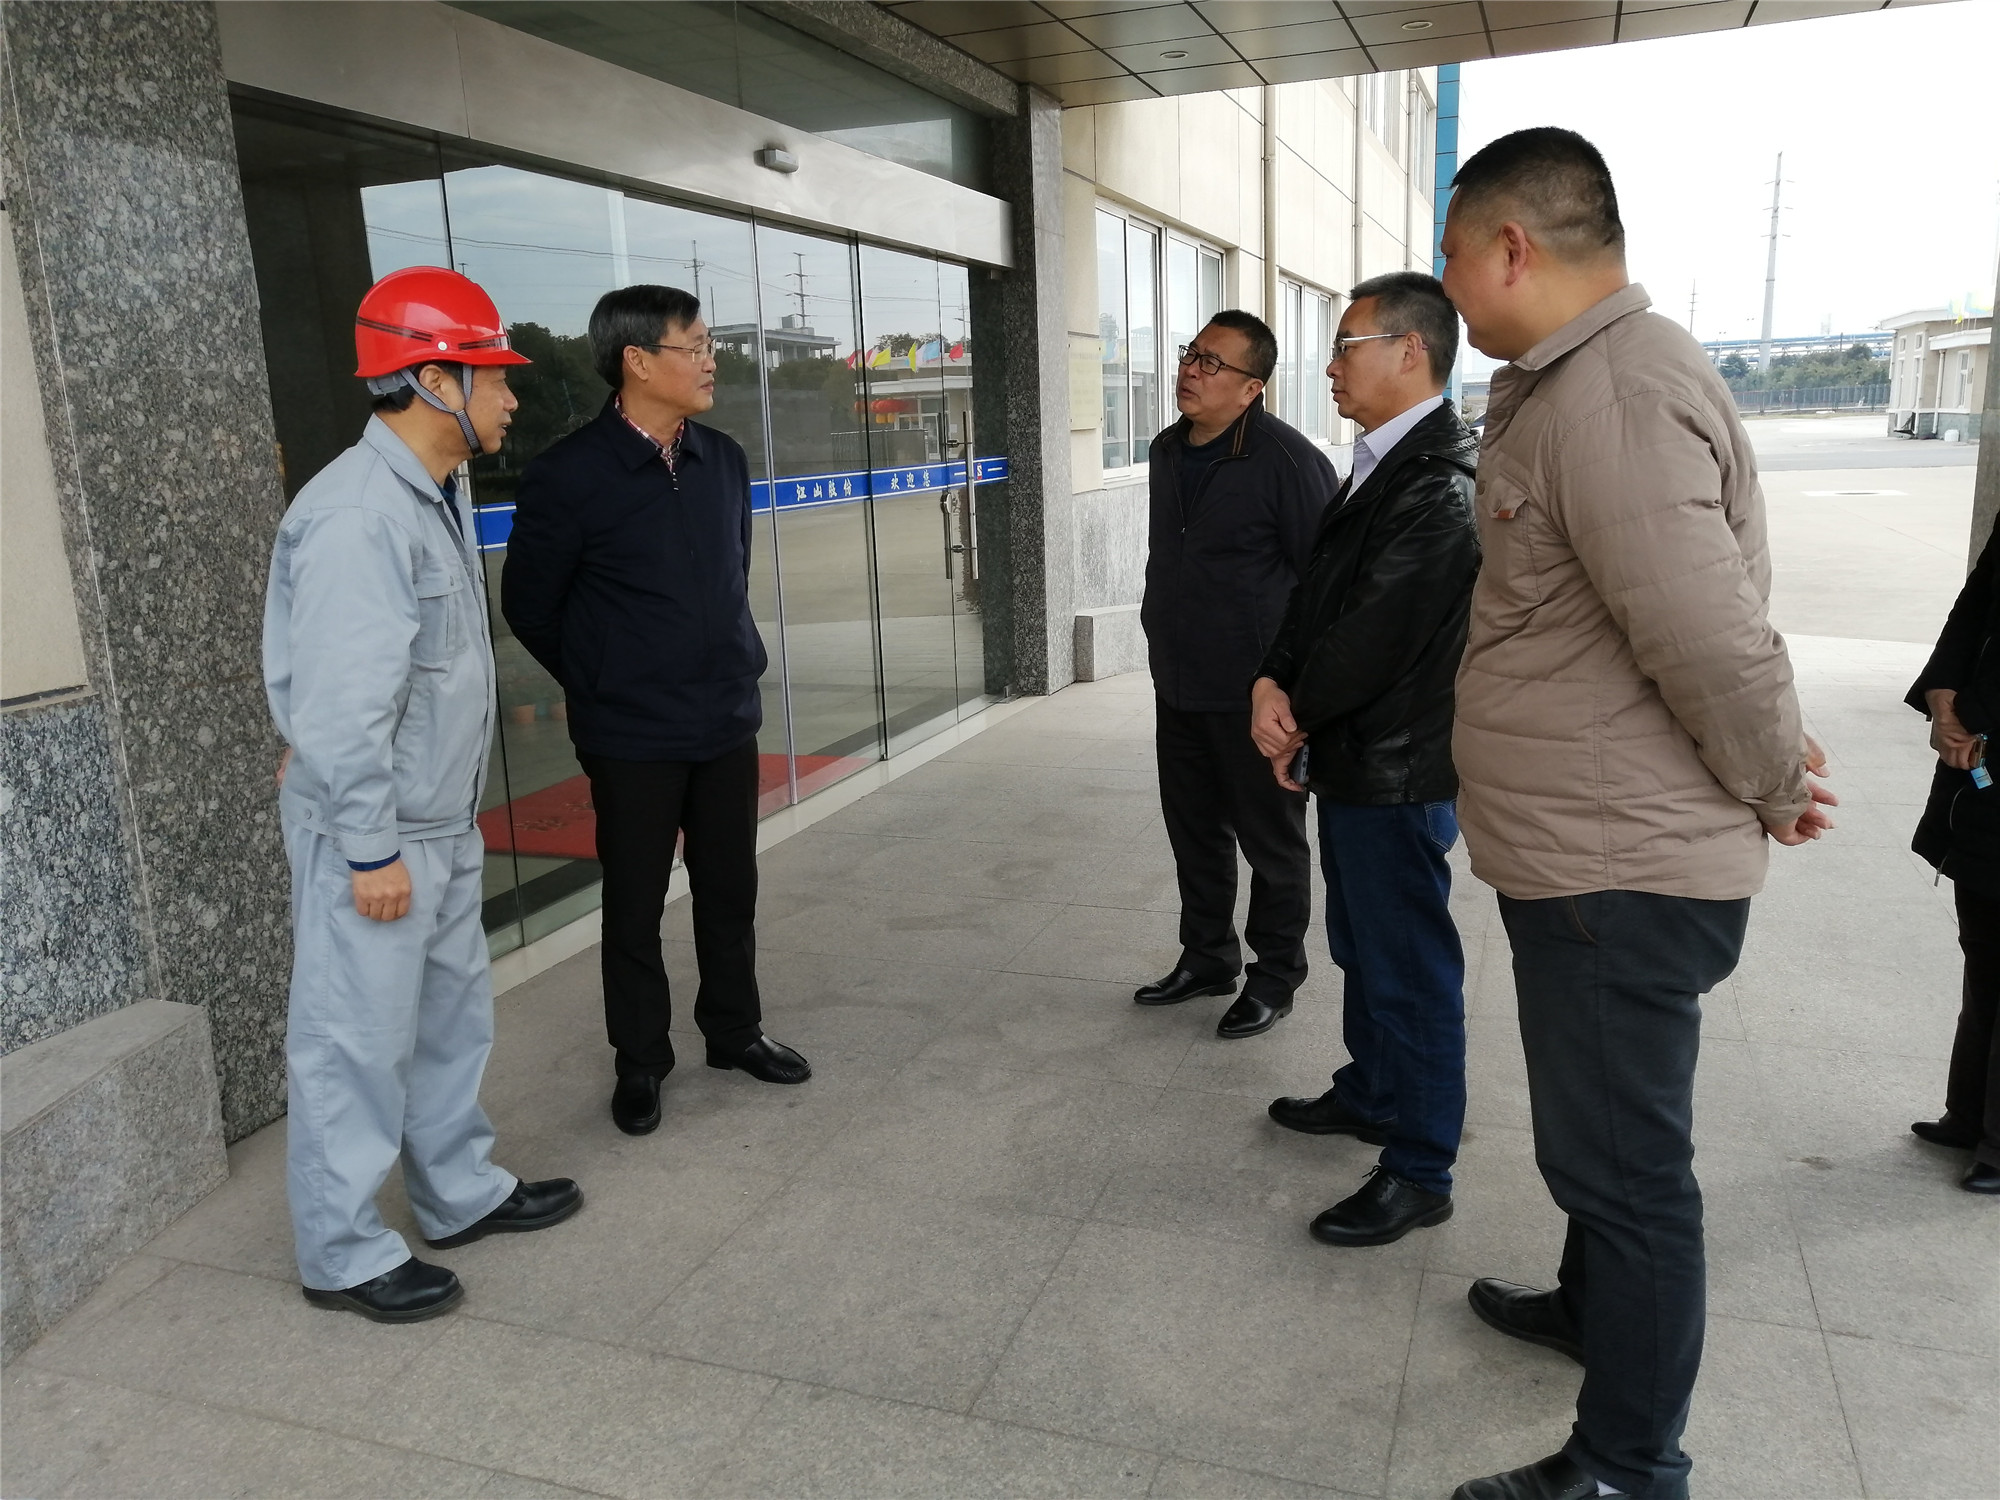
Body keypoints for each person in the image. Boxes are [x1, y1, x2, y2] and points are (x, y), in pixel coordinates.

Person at [1437, 129, 1836, 1500]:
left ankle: (1626, 1467)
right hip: (1587, 846)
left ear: (1511, 247)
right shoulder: (1574, 383)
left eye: (1453, 255)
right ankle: (1590, 1310)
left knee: (1625, 1170)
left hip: (1621, 869)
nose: (1450, 286)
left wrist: (1774, 782)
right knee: (1595, 1142)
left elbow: (1707, 638)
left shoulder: (1611, 392)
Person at [264, 266, 582, 1323]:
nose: (511, 397)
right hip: (381, 833)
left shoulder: (432, 492)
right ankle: (342, 1251)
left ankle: (457, 1190)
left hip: (434, 819)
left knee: (448, 1019)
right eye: (495, 375)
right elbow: (345, 705)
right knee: (353, 1040)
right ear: (433, 379)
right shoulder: (359, 515)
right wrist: (367, 847)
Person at [501, 284, 809, 1138]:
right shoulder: (569, 474)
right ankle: (640, 1060)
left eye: (711, 346)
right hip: (631, 733)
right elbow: (530, 605)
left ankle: (734, 1031)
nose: (712, 361)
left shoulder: (723, 459)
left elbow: (731, 571)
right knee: (635, 902)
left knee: (730, 887)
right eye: (695, 346)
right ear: (637, 360)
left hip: (724, 718)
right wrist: (606, 677)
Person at [1253, 273, 1479, 1247]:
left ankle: (1420, 1167)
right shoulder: (1379, 462)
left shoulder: (1438, 481)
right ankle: (1374, 1091)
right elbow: (1314, 599)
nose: (1330, 366)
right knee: (1362, 947)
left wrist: (1292, 713)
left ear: (1410, 351)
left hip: (1398, 769)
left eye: (1347, 345)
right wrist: (1271, 679)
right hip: (1354, 756)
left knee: (1408, 968)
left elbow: (1373, 636)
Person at [1136, 311, 1337, 1039]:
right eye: (1191, 354)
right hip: (1178, 680)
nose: (1191, 370)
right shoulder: (1166, 450)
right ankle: (1207, 957)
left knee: (1271, 844)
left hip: (1256, 694)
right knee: (1194, 833)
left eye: (1212, 363)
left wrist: (1293, 688)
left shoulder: (1289, 462)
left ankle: (1275, 977)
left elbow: (1324, 583)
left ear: (1253, 388)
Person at [1905, 525, 2000, 1194]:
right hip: (1981, 773)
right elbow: (1974, 608)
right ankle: (1969, 1116)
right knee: (1985, 952)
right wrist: (1944, 700)